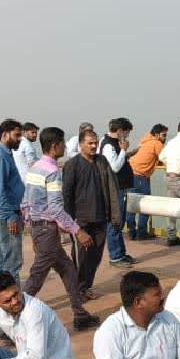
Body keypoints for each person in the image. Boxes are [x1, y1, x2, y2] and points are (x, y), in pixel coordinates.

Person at [22, 127, 101, 331]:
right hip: (47, 231)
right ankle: (9, 319)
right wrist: (78, 231)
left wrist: (32, 231)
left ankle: (80, 314)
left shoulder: (35, 167)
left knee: (68, 270)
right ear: (55, 145)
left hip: (42, 230)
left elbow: (26, 203)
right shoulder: (53, 172)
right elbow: (56, 209)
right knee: (36, 278)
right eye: (63, 143)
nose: (66, 147)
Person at [63, 129, 121, 301]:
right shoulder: (72, 165)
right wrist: (70, 223)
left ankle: (86, 287)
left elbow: (112, 187)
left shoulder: (102, 161)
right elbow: (66, 195)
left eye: (95, 142)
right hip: (81, 220)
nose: (94, 146)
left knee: (95, 257)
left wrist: (115, 215)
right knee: (81, 258)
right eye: (90, 143)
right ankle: (77, 290)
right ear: (81, 144)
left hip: (101, 218)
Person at [0, 120, 26, 283]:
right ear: (4, 135)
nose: (19, 139)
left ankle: (0, 298)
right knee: (12, 263)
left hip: (8, 211)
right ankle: (14, 304)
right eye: (16, 135)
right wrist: (9, 215)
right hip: (4, 214)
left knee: (4, 260)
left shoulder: (4, 153)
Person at [100, 118, 137, 266]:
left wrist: (125, 153)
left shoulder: (111, 142)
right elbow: (114, 167)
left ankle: (120, 253)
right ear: (120, 131)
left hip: (120, 188)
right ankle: (115, 256)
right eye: (127, 133)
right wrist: (123, 151)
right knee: (115, 222)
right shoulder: (109, 145)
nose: (127, 136)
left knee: (119, 222)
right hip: (116, 188)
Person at [127, 124, 168, 241]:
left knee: (132, 204)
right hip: (140, 176)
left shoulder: (145, 142)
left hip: (131, 173)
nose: (165, 138)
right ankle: (141, 232)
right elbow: (165, 158)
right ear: (156, 135)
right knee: (145, 204)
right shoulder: (157, 143)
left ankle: (131, 230)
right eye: (163, 135)